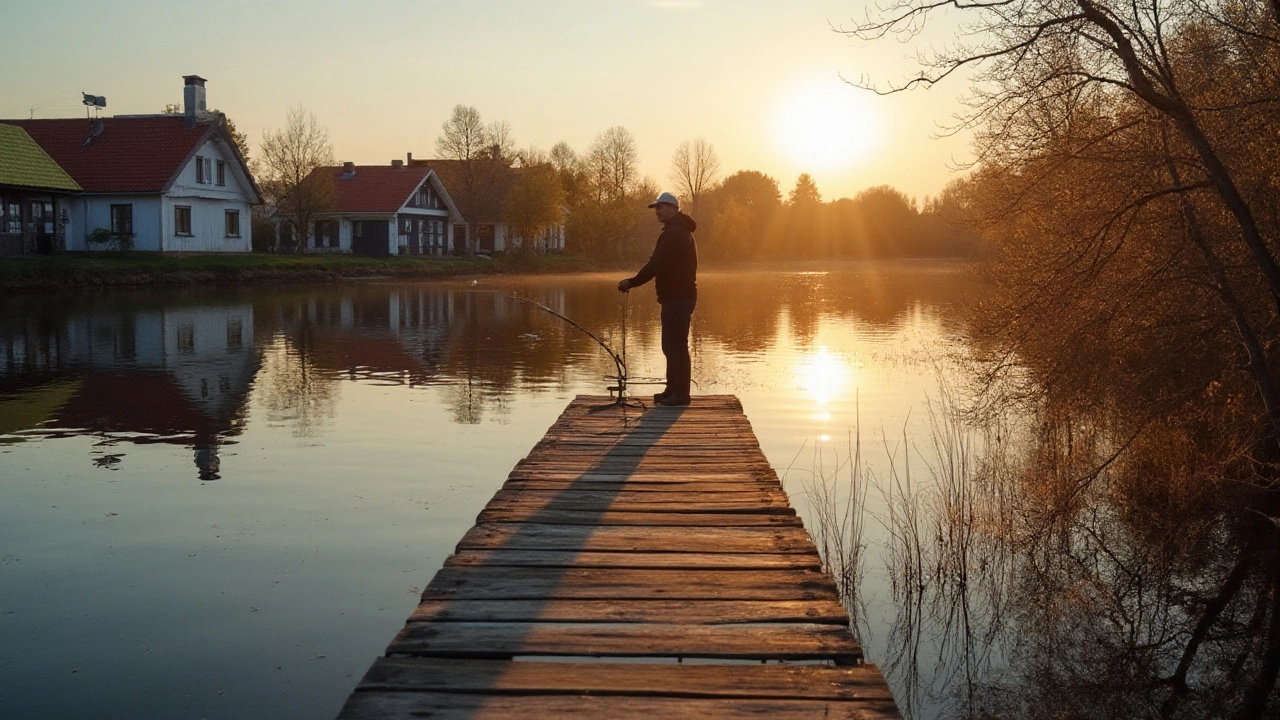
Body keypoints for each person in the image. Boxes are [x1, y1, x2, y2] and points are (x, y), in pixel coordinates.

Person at [617, 191, 698, 406]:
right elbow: (659, 264)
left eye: (661, 207)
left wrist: (631, 282)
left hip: (679, 298)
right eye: (656, 208)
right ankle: (672, 389)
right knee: (670, 346)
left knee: (676, 346)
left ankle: (681, 395)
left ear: (673, 208)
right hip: (675, 298)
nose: (657, 212)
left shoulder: (677, 233)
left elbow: (656, 264)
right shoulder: (675, 231)